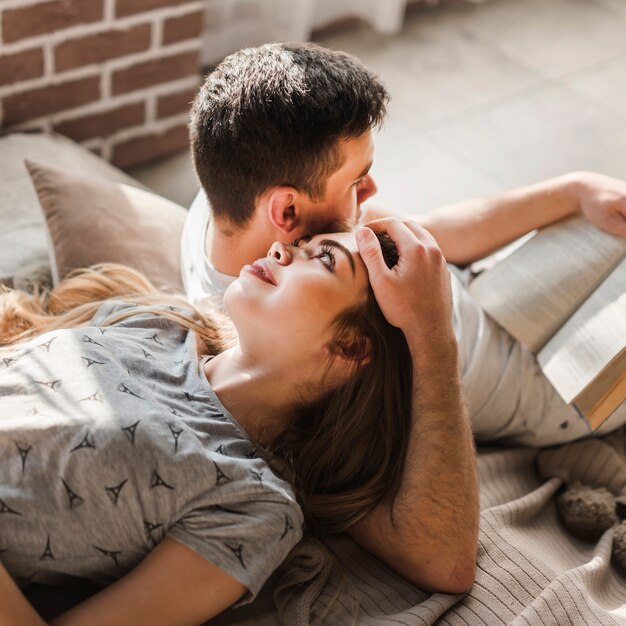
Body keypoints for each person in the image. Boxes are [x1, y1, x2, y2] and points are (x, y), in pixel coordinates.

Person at [182, 41, 626, 591]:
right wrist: (431, 327)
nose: (371, 191)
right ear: (287, 210)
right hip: (560, 380)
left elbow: (432, 235)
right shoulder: (286, 337)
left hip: (505, 292)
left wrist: (572, 192)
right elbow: (443, 560)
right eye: (357, 180)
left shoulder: (237, 209)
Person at [0, 230, 417, 625]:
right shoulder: (161, 323)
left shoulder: (255, 504)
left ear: (352, 345)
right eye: (299, 241)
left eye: (325, 259)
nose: (279, 249)